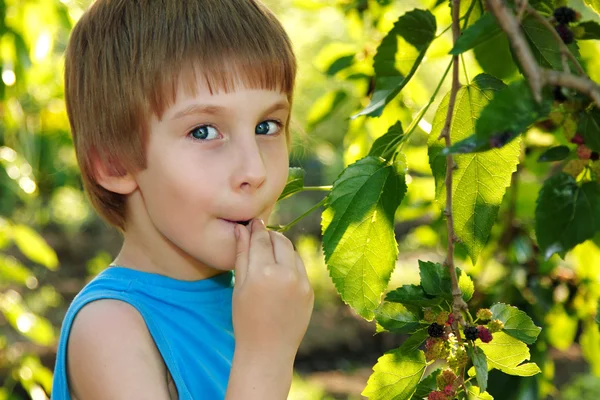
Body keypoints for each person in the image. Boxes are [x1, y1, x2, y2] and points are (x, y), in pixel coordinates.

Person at [51, 0, 314, 398]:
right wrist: (266, 356)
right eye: (205, 132)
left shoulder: (248, 300)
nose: (255, 170)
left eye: (267, 125)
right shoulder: (110, 327)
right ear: (114, 163)